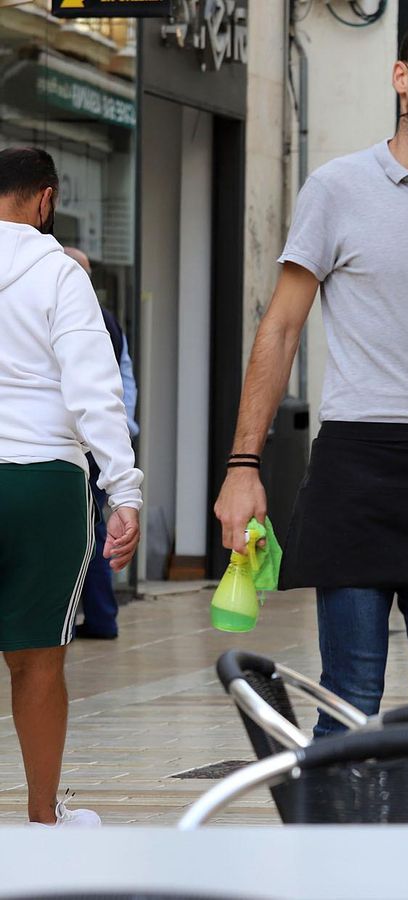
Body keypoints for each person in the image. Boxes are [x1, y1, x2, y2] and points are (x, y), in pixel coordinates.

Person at [212, 15, 408, 735]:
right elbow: (281, 328)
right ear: (402, 77)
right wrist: (243, 466)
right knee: (349, 701)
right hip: (355, 465)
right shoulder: (336, 187)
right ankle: (337, 815)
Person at [0, 147, 142, 826]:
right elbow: (94, 390)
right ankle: (42, 821)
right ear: (46, 198)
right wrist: (124, 489)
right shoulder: (60, 273)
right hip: (44, 483)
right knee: (37, 663)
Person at [63, 247, 137, 640]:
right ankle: (101, 617)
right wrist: (124, 432)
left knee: (84, 531)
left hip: (80, 444)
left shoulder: (82, 318)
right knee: (91, 528)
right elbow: (125, 380)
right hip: (101, 441)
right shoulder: (105, 318)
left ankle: (91, 618)